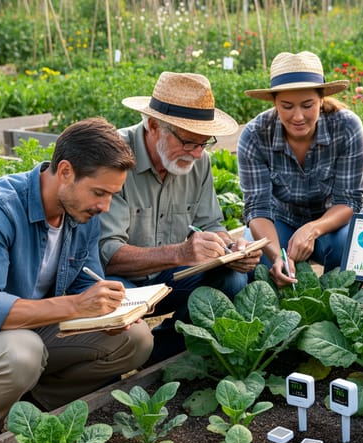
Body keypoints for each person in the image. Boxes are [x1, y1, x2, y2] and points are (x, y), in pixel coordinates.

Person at [0, 117, 153, 443]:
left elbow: (86, 280)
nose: (104, 206)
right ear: (65, 171)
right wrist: (76, 305)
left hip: (32, 328)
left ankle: (31, 410)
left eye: (112, 195)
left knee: (136, 340)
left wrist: (112, 314)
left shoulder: (83, 214)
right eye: (99, 192)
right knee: (22, 353)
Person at [99, 72, 260, 364]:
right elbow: (107, 255)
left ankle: (160, 357)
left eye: (204, 143)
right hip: (118, 280)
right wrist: (181, 252)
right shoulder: (115, 158)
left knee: (233, 279)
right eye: (188, 143)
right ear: (152, 126)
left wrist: (229, 248)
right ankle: (124, 366)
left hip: (168, 277)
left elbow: (210, 223)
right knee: (117, 309)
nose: (197, 154)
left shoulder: (200, 163)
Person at [238, 51, 363, 287]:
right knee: (253, 254)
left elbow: (349, 201)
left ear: (321, 100)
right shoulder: (255, 135)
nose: (298, 116)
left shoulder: (346, 127)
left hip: (334, 224)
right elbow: (258, 209)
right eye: (286, 106)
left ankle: (339, 308)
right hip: (281, 221)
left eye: (308, 105)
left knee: (351, 245)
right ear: (275, 103)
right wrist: (277, 256)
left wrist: (313, 228)